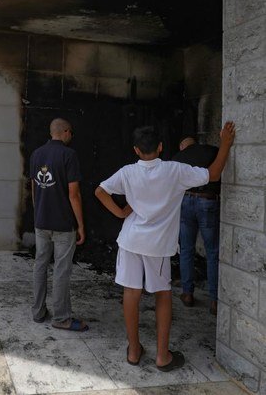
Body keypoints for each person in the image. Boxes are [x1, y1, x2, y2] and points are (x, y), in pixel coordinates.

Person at [94, 122, 234, 371]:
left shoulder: (127, 172)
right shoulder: (174, 171)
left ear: (136, 150)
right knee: (162, 295)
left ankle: (134, 351)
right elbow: (213, 174)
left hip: (130, 240)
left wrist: (120, 212)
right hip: (157, 246)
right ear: (160, 147)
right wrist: (225, 144)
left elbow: (100, 191)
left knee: (131, 293)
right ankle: (162, 356)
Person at [30, 118, 87, 331]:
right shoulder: (69, 155)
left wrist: (38, 213)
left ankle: (38, 312)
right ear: (64, 131)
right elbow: (74, 194)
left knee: (40, 265)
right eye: (70, 132)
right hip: (63, 224)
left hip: (41, 222)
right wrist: (80, 225)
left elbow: (35, 187)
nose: (71, 136)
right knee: (61, 270)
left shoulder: (36, 154)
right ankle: (61, 318)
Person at [171, 136, 221, 315]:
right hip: (207, 201)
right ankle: (215, 301)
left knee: (186, 249)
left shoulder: (178, 157)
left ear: (183, 145)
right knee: (213, 252)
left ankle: (187, 294)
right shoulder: (212, 151)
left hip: (185, 201)